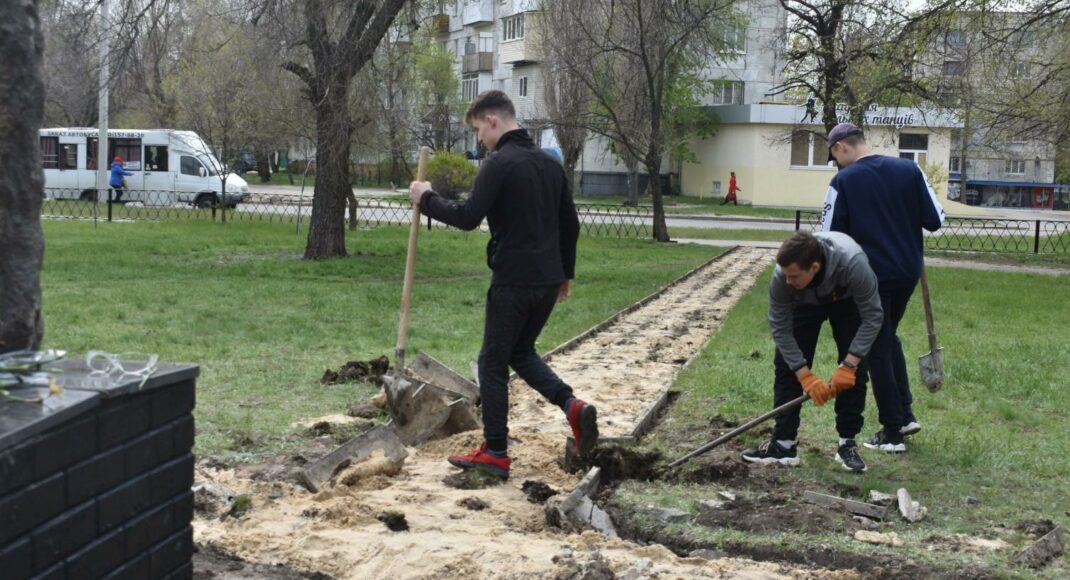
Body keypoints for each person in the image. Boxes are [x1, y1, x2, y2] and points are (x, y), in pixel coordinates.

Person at [408, 90, 594, 479]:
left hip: (513, 280)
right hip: (547, 280)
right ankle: (571, 406)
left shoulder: (499, 164)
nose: (479, 139)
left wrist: (426, 198)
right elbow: (570, 224)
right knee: (520, 352)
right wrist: (565, 274)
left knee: (492, 363)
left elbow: (467, 217)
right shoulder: (550, 164)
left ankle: (495, 452)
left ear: (492, 120)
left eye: (478, 129)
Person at [822, 122, 945, 453]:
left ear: (841, 148)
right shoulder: (909, 170)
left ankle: (892, 432)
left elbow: (829, 238)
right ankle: (904, 416)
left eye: (835, 157)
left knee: (875, 347)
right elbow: (936, 219)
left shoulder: (843, 181)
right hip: (905, 273)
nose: (836, 164)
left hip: (867, 279)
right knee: (886, 337)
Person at [741, 230, 883, 472]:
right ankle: (783, 445)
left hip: (846, 300)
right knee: (786, 366)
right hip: (803, 303)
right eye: (785, 275)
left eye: (793, 275)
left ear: (814, 267)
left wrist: (849, 364)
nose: (787, 280)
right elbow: (780, 327)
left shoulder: (853, 264)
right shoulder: (784, 279)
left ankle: (847, 443)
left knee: (856, 373)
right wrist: (804, 374)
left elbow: (873, 316)